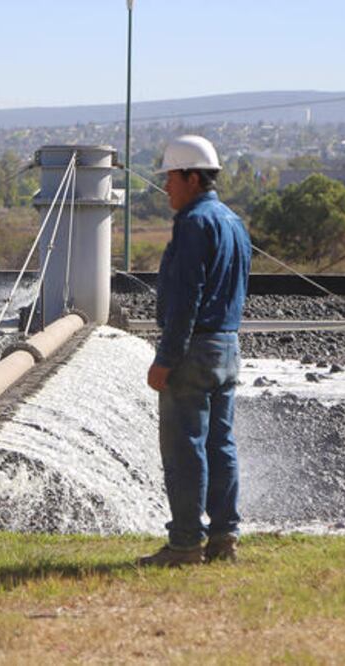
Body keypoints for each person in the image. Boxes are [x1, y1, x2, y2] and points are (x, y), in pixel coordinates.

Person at [138, 135, 252, 567]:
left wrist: (166, 358)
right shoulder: (233, 222)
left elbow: (186, 297)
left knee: (185, 448)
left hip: (194, 349)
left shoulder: (192, 223)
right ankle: (224, 537)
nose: (166, 186)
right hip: (227, 346)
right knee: (221, 444)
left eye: (171, 177)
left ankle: (185, 543)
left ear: (191, 177)